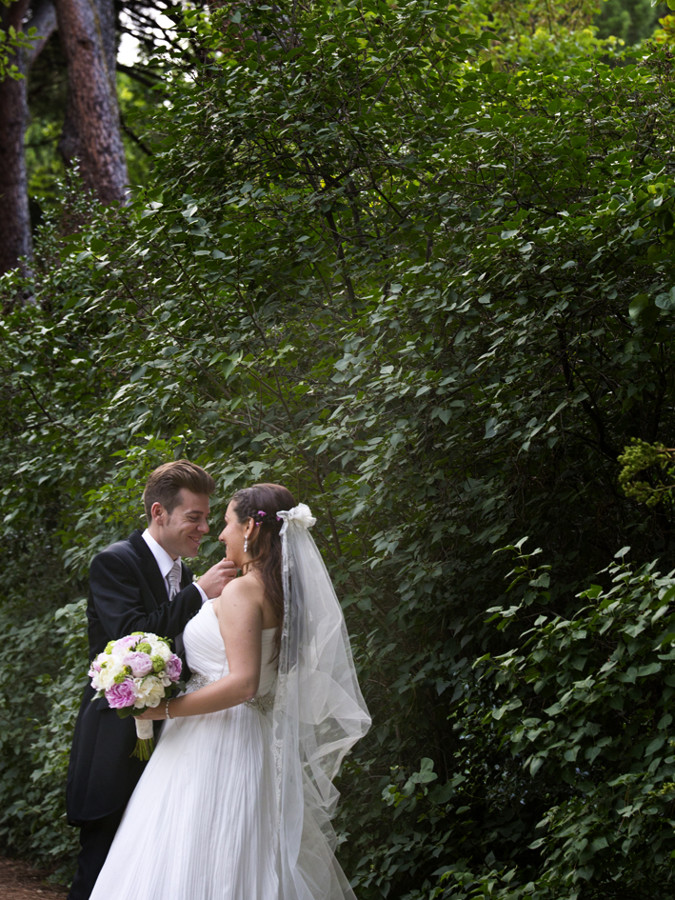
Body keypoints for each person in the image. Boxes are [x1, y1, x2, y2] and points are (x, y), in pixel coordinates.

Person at [88, 482, 371, 900]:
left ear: (251, 530)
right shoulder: (279, 592)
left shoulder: (243, 590)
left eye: (225, 523)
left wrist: (163, 710)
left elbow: (243, 683)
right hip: (245, 739)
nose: (219, 534)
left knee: (195, 855)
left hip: (213, 742)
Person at [66, 460, 237, 900]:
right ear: (159, 513)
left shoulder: (182, 572)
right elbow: (133, 634)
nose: (203, 528)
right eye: (193, 517)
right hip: (117, 740)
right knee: (102, 867)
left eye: (207, 517)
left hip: (177, 743)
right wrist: (199, 594)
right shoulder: (114, 562)